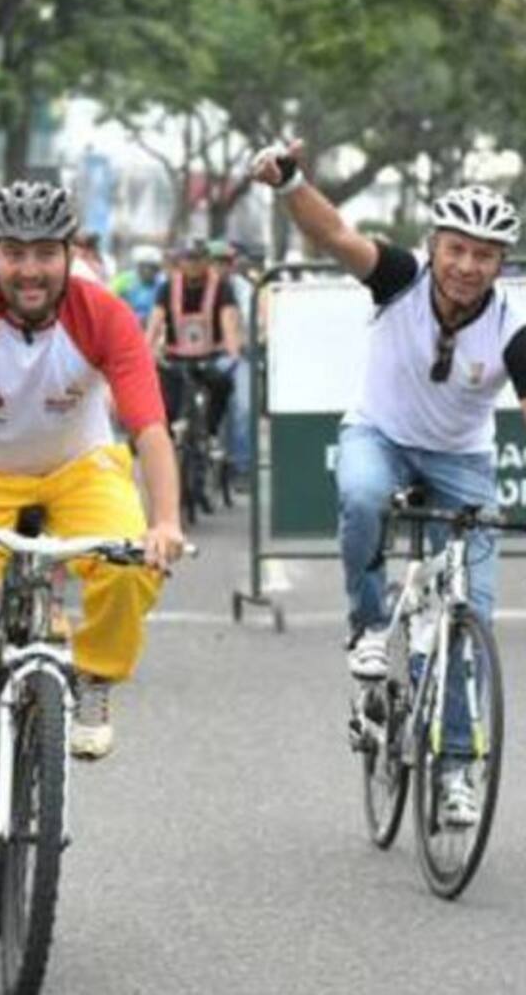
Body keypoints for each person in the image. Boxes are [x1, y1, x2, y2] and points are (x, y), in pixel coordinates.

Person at [0, 179, 183, 865]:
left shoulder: (103, 313)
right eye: (15, 253)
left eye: (46, 253)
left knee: (133, 561)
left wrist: (166, 521)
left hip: (77, 467)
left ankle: (93, 676)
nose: (30, 269)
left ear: (69, 254)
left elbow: (148, 428)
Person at [251, 140, 526, 827]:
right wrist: (290, 183)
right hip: (380, 435)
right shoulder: (399, 278)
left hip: (462, 464)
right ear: (434, 245)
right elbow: (334, 232)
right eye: (456, 248)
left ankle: (459, 768)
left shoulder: (512, 327)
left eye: (484, 255)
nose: (467, 266)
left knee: (470, 622)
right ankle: (369, 625)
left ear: (501, 265)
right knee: (363, 494)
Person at [146, 238, 241, 447]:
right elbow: (154, 323)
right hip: (175, 359)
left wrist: (233, 356)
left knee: (222, 386)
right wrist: (146, 351)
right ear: (180, 262)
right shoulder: (167, 288)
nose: (193, 265)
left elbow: (229, 323)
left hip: (211, 358)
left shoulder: (222, 288)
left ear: (207, 261)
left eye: (198, 259)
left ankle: (211, 435)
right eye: (188, 259)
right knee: (164, 404)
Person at [208, 238, 253, 481]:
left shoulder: (242, 289)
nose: (219, 267)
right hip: (199, 359)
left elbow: (254, 321)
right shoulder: (189, 286)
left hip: (234, 357)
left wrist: (247, 339)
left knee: (243, 408)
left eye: (224, 262)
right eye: (214, 261)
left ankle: (241, 466)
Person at [111, 242, 165, 326]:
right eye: (144, 266)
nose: (147, 271)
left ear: (157, 269)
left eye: (151, 267)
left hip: (153, 324)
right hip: (127, 323)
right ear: (138, 266)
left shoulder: (162, 283)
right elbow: (110, 298)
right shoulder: (124, 280)